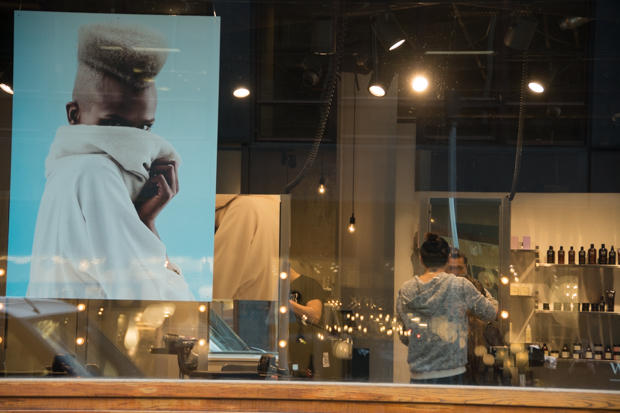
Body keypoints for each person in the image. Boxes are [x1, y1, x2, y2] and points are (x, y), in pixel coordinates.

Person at [27, 21, 193, 300]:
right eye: (114, 125)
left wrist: (144, 218)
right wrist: (148, 225)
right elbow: (160, 300)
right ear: (74, 115)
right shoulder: (96, 173)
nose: (131, 143)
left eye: (144, 128)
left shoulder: (63, 174)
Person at [396, 233, 497, 385]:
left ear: (421, 259)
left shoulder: (406, 289)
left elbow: (404, 336)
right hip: (453, 373)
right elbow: (490, 313)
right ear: (448, 258)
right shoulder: (460, 285)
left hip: (419, 375)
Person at [447, 248, 500, 384]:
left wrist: (469, 310)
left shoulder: (476, 288)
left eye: (459, 268)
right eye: (451, 268)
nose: (455, 273)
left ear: (466, 268)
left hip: (476, 347)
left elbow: (495, 311)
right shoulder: (441, 290)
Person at [212, 195, 280, 301]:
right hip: (258, 306)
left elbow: (217, 285)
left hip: (236, 308)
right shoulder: (273, 208)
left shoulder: (244, 208)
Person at [288, 268, 327, 378]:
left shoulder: (309, 284)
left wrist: (287, 303)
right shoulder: (279, 287)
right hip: (289, 349)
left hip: (308, 348)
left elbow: (315, 315)